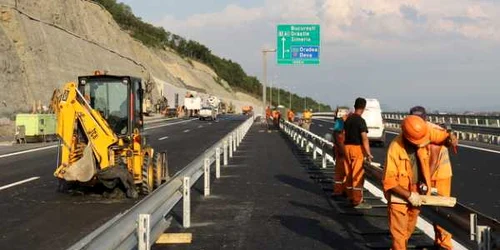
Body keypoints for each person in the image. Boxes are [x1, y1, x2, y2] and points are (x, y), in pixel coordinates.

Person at [410, 106, 454, 249]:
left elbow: (433, 160)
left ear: (425, 119)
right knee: (433, 210)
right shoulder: (414, 128)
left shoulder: (432, 131)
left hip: (440, 174)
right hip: (429, 172)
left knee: (441, 210)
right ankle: (439, 242)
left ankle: (445, 245)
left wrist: (424, 180)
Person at [343, 97, 373, 208]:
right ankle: (357, 200)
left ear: (355, 106)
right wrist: (368, 153)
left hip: (346, 147)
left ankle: (350, 196)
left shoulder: (348, 119)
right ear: (363, 108)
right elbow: (364, 138)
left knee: (349, 173)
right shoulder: (360, 121)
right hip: (356, 149)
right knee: (357, 175)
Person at [332, 108, 348, 197]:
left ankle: (340, 190)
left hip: (341, 150)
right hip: (343, 150)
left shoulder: (339, 122)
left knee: (340, 172)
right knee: (343, 171)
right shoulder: (342, 122)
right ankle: (342, 190)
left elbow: (337, 135)